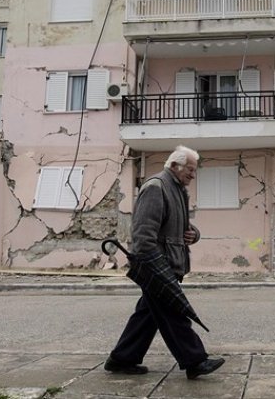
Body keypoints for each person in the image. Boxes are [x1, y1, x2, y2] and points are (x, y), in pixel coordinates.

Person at [104, 145, 225, 379]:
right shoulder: (156, 187)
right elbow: (142, 237)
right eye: (190, 169)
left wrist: (194, 234)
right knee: (174, 313)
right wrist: (157, 269)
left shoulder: (177, 189)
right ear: (174, 166)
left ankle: (121, 359)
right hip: (158, 267)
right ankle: (195, 360)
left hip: (169, 263)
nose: (193, 174)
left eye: (194, 170)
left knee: (146, 316)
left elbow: (178, 228)